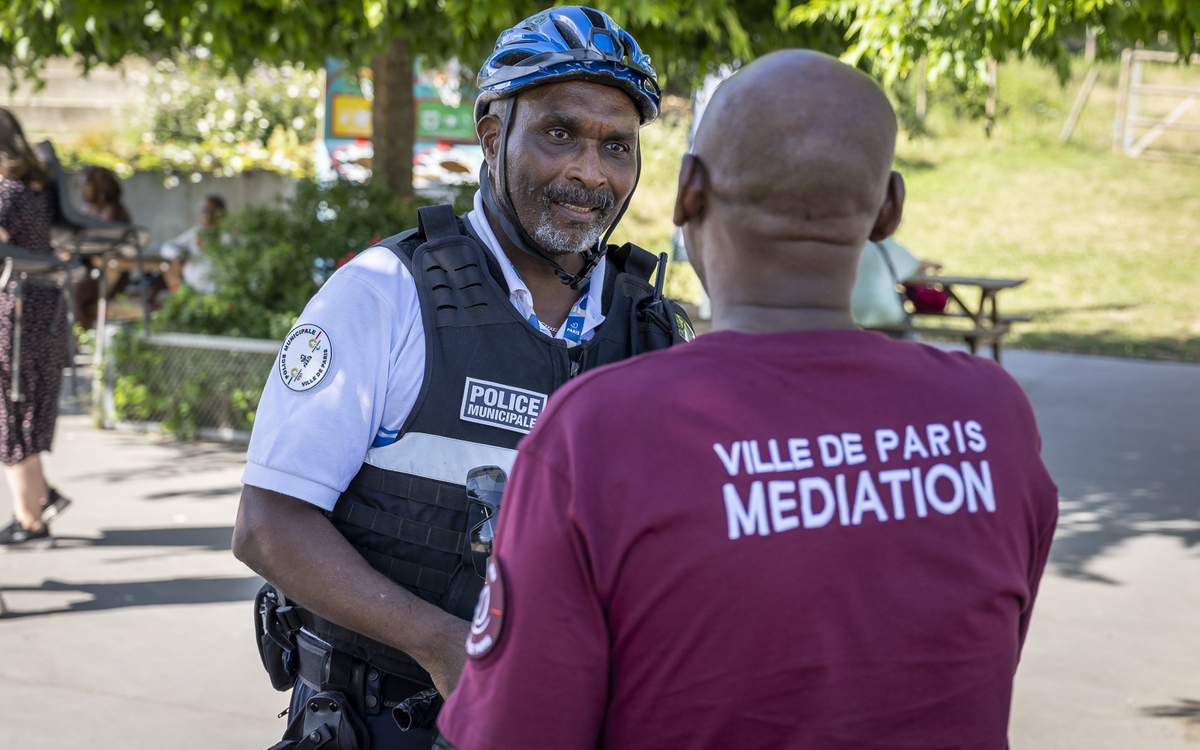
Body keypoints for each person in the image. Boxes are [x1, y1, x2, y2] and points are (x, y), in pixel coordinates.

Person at [435, 50, 1059, 750]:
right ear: (889, 209)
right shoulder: (992, 422)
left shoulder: (600, 435)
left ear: (687, 191)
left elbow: (518, 734)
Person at [231, 8, 692, 750]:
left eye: (617, 146)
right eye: (559, 133)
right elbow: (269, 526)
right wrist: (445, 645)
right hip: (384, 723)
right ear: (489, 132)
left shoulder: (650, 328)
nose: (588, 171)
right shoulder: (384, 293)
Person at [0, 108, 72, 546]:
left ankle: (31, 518)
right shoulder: (38, 188)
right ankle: (42, 497)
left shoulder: (5, 194)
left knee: (10, 411)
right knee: (27, 406)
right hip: (45, 308)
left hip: (16, 309)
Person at [72, 166, 132, 330]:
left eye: (86, 186)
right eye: (79, 186)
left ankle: (73, 340)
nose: (81, 191)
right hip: (85, 270)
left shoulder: (112, 210)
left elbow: (100, 246)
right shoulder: (84, 209)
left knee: (73, 289)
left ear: (100, 186)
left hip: (109, 273)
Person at [852, 236, 943, 328]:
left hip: (846, 313)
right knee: (903, 326)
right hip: (883, 313)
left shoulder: (845, 245)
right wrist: (936, 265)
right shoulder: (886, 246)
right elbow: (917, 266)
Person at [157, 194, 226, 294]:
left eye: (212, 212)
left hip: (219, 291)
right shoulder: (195, 233)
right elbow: (167, 247)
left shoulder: (227, 236)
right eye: (204, 211)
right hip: (194, 289)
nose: (207, 215)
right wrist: (177, 253)